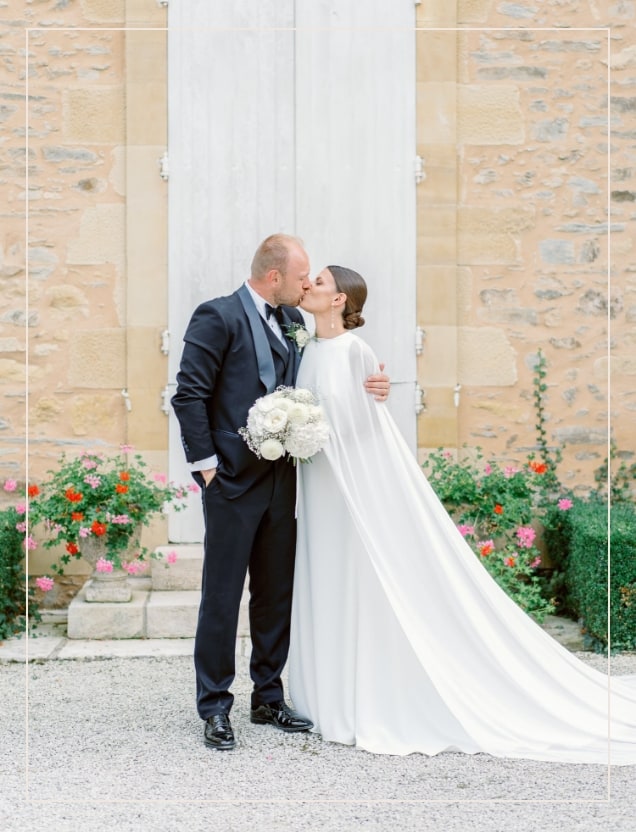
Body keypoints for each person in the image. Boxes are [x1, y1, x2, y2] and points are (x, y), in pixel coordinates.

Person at [288, 264, 636, 764]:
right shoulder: (307, 346)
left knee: (359, 575)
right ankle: (328, 692)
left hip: (347, 485)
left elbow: (365, 427)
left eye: (319, 282)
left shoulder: (355, 350)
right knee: (327, 575)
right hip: (317, 481)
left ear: (340, 300)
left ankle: (366, 693)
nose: (309, 286)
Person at [171, 235, 390, 750]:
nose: (307, 284)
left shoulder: (296, 325)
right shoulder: (217, 315)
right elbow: (190, 394)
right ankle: (215, 707)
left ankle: (268, 696)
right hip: (229, 481)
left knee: (275, 595)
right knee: (222, 597)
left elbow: (330, 376)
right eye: (301, 277)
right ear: (275, 277)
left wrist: (375, 385)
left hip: (284, 483)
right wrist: (205, 469)